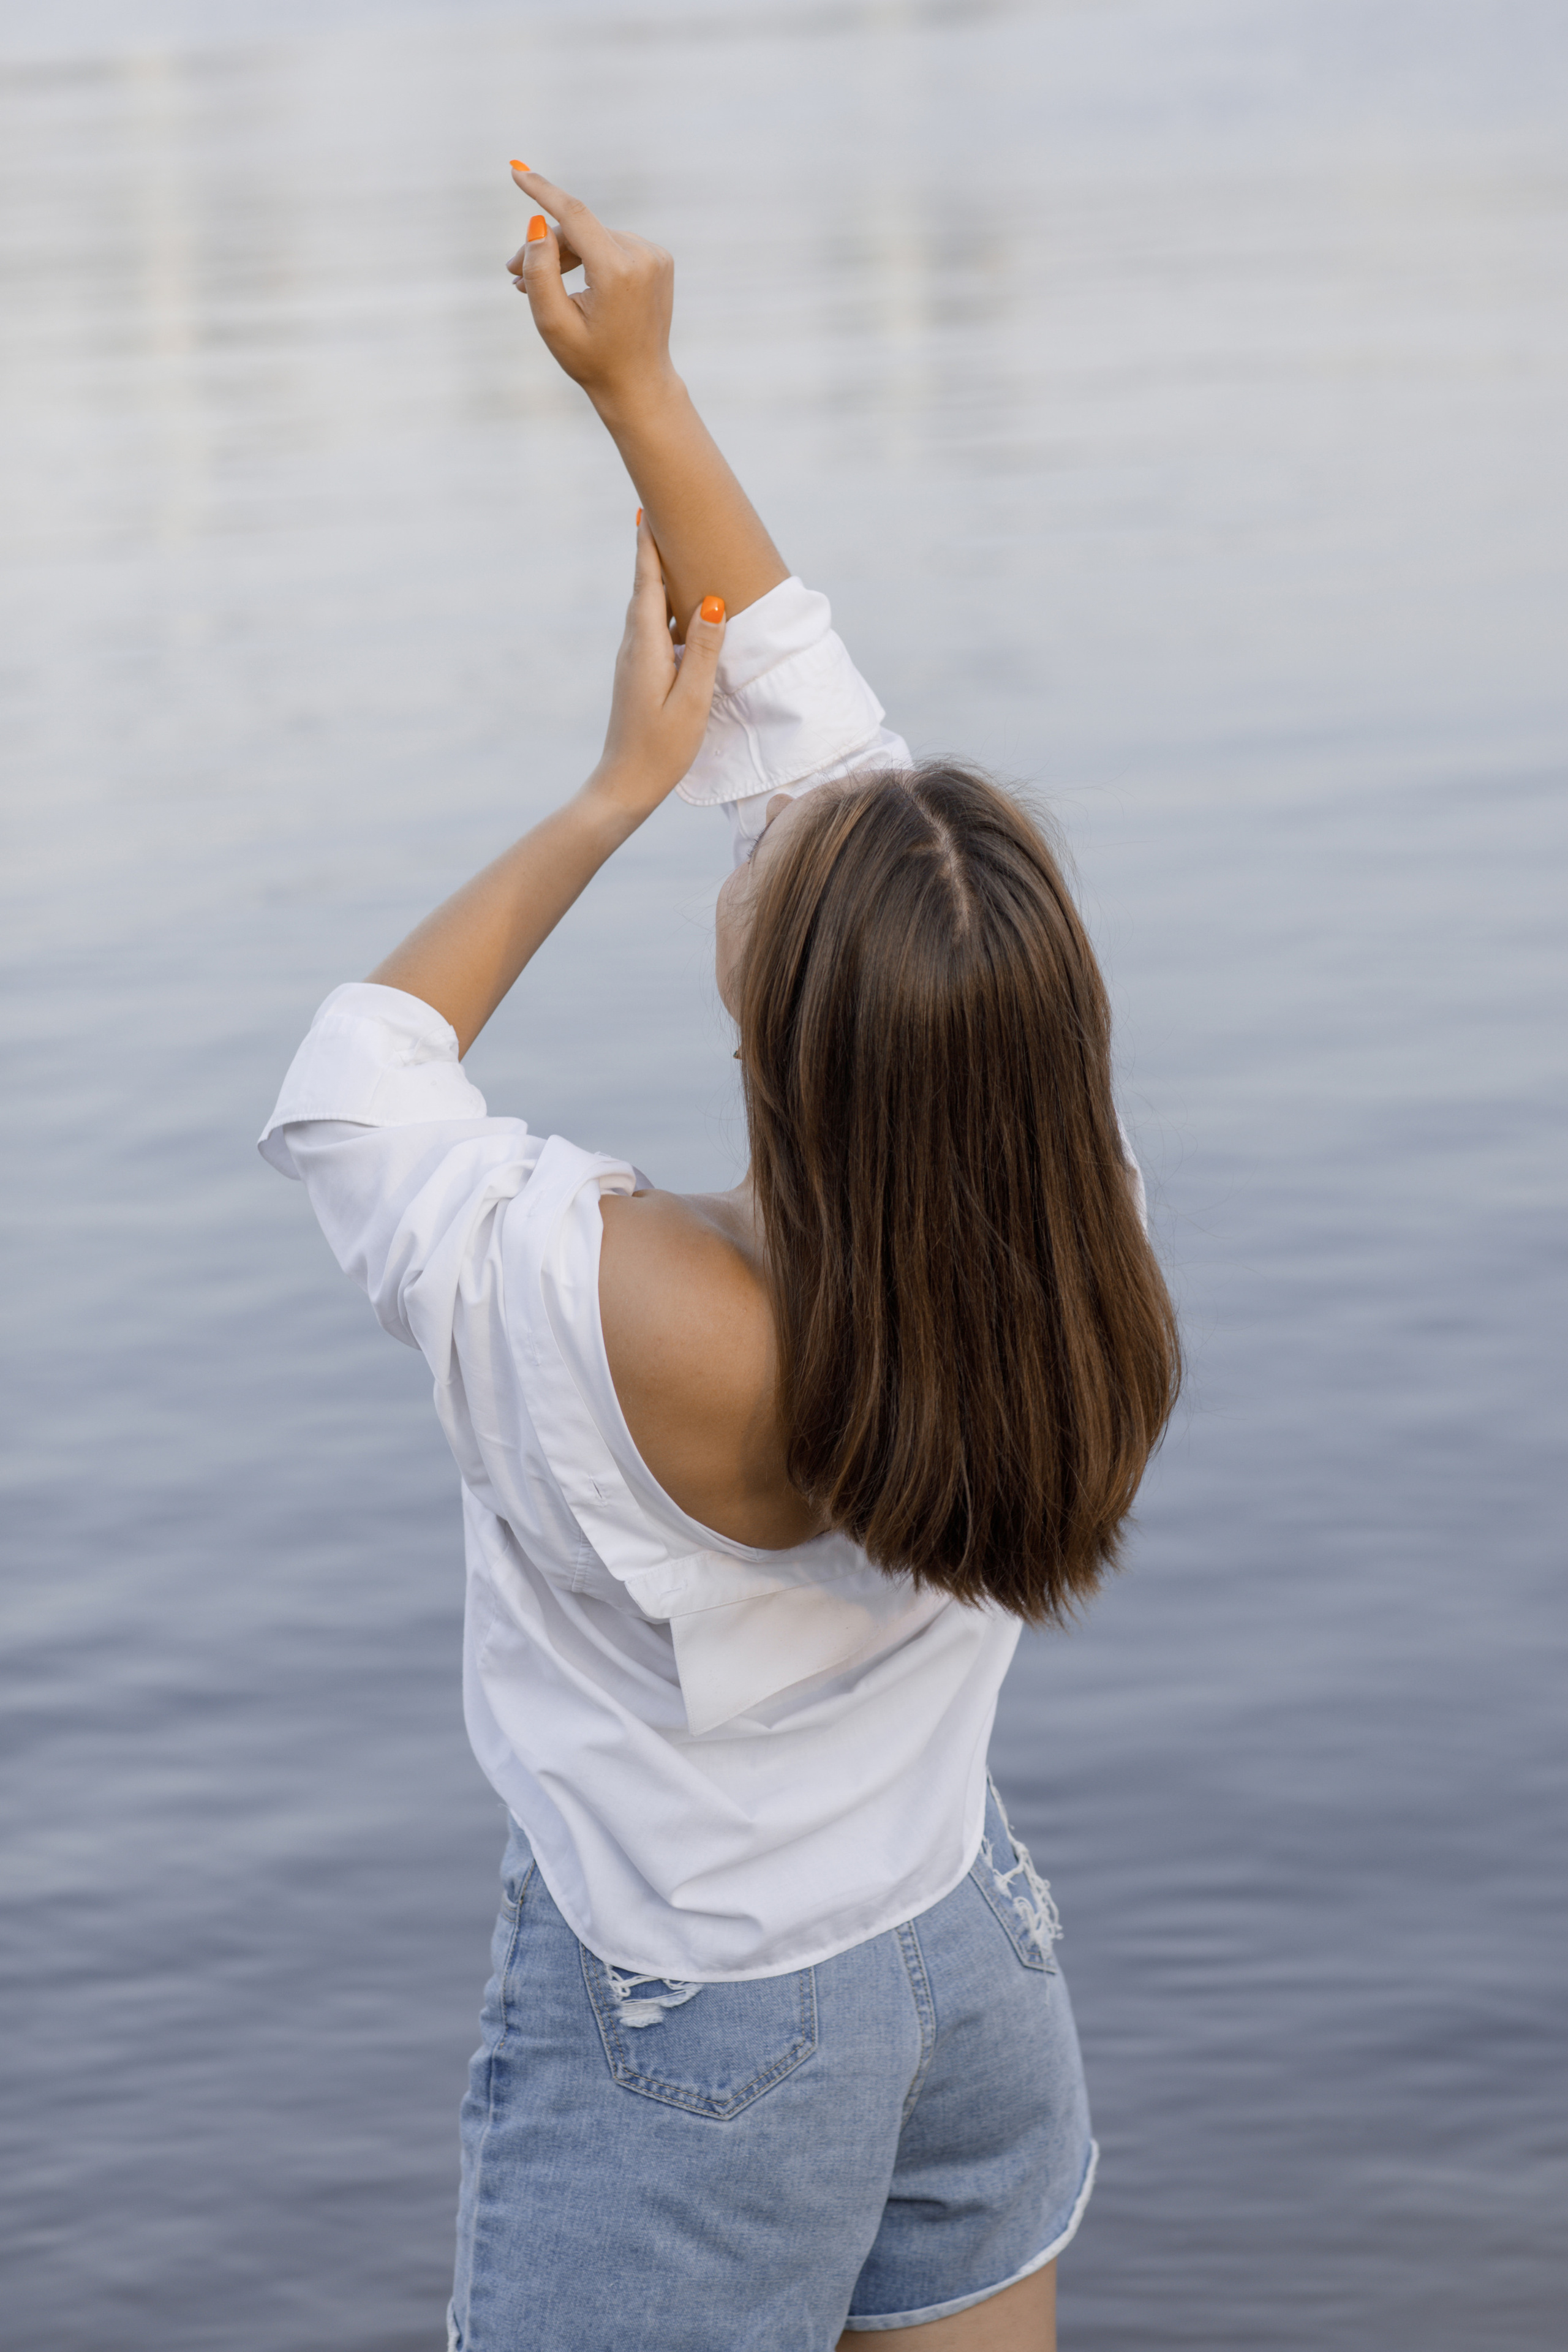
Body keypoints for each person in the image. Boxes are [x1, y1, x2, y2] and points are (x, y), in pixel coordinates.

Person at [259, 165, 1180, 2352]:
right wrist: (641, 388)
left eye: (770, 882)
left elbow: (347, 1080)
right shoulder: (1068, 1263)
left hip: (698, 2054)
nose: (758, 841)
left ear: (783, 1021)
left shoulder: (614, 1304)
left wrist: (601, 799)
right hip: (965, 1957)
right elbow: (818, 730)